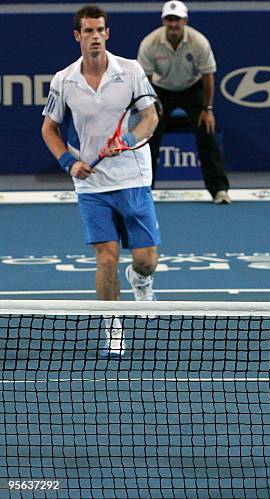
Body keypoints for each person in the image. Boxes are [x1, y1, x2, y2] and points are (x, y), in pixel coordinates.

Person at [41, 5, 161, 359]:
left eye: (100, 30)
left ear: (107, 34)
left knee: (146, 260)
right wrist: (68, 161)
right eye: (88, 31)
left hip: (133, 176)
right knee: (106, 259)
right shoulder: (64, 80)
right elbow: (49, 128)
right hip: (92, 184)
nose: (95, 36)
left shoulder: (131, 71)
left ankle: (140, 279)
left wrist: (130, 138)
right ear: (77, 36)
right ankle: (113, 326)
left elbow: (150, 116)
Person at [137, 0, 231, 203]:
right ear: (163, 21)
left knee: (207, 132)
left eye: (177, 20)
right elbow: (144, 80)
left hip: (192, 89)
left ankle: (219, 190)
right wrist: (149, 110)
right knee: (148, 135)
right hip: (160, 91)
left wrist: (208, 108)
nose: (173, 24)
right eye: (169, 20)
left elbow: (208, 76)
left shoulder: (199, 42)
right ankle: (144, 190)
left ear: (185, 20)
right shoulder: (149, 43)